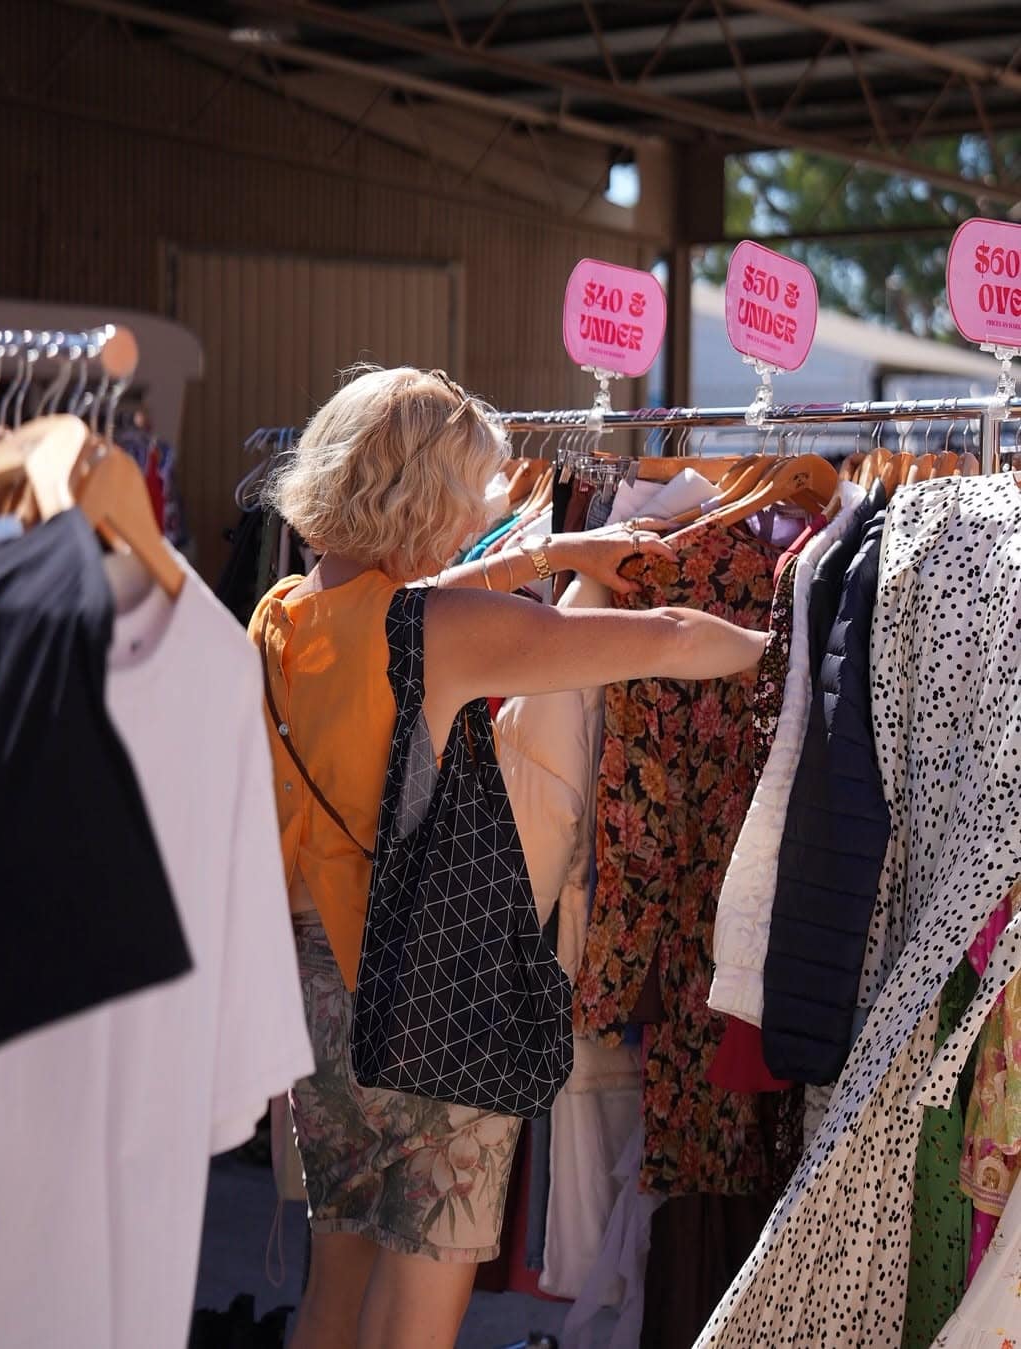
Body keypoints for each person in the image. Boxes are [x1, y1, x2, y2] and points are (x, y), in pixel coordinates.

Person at [250, 366, 767, 1349]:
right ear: (434, 491)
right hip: (438, 995)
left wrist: (555, 548)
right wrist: (778, 640)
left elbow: (401, 605)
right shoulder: (449, 632)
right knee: (418, 1305)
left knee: (335, 1284)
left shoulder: (281, 612)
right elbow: (660, 637)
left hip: (317, 991)